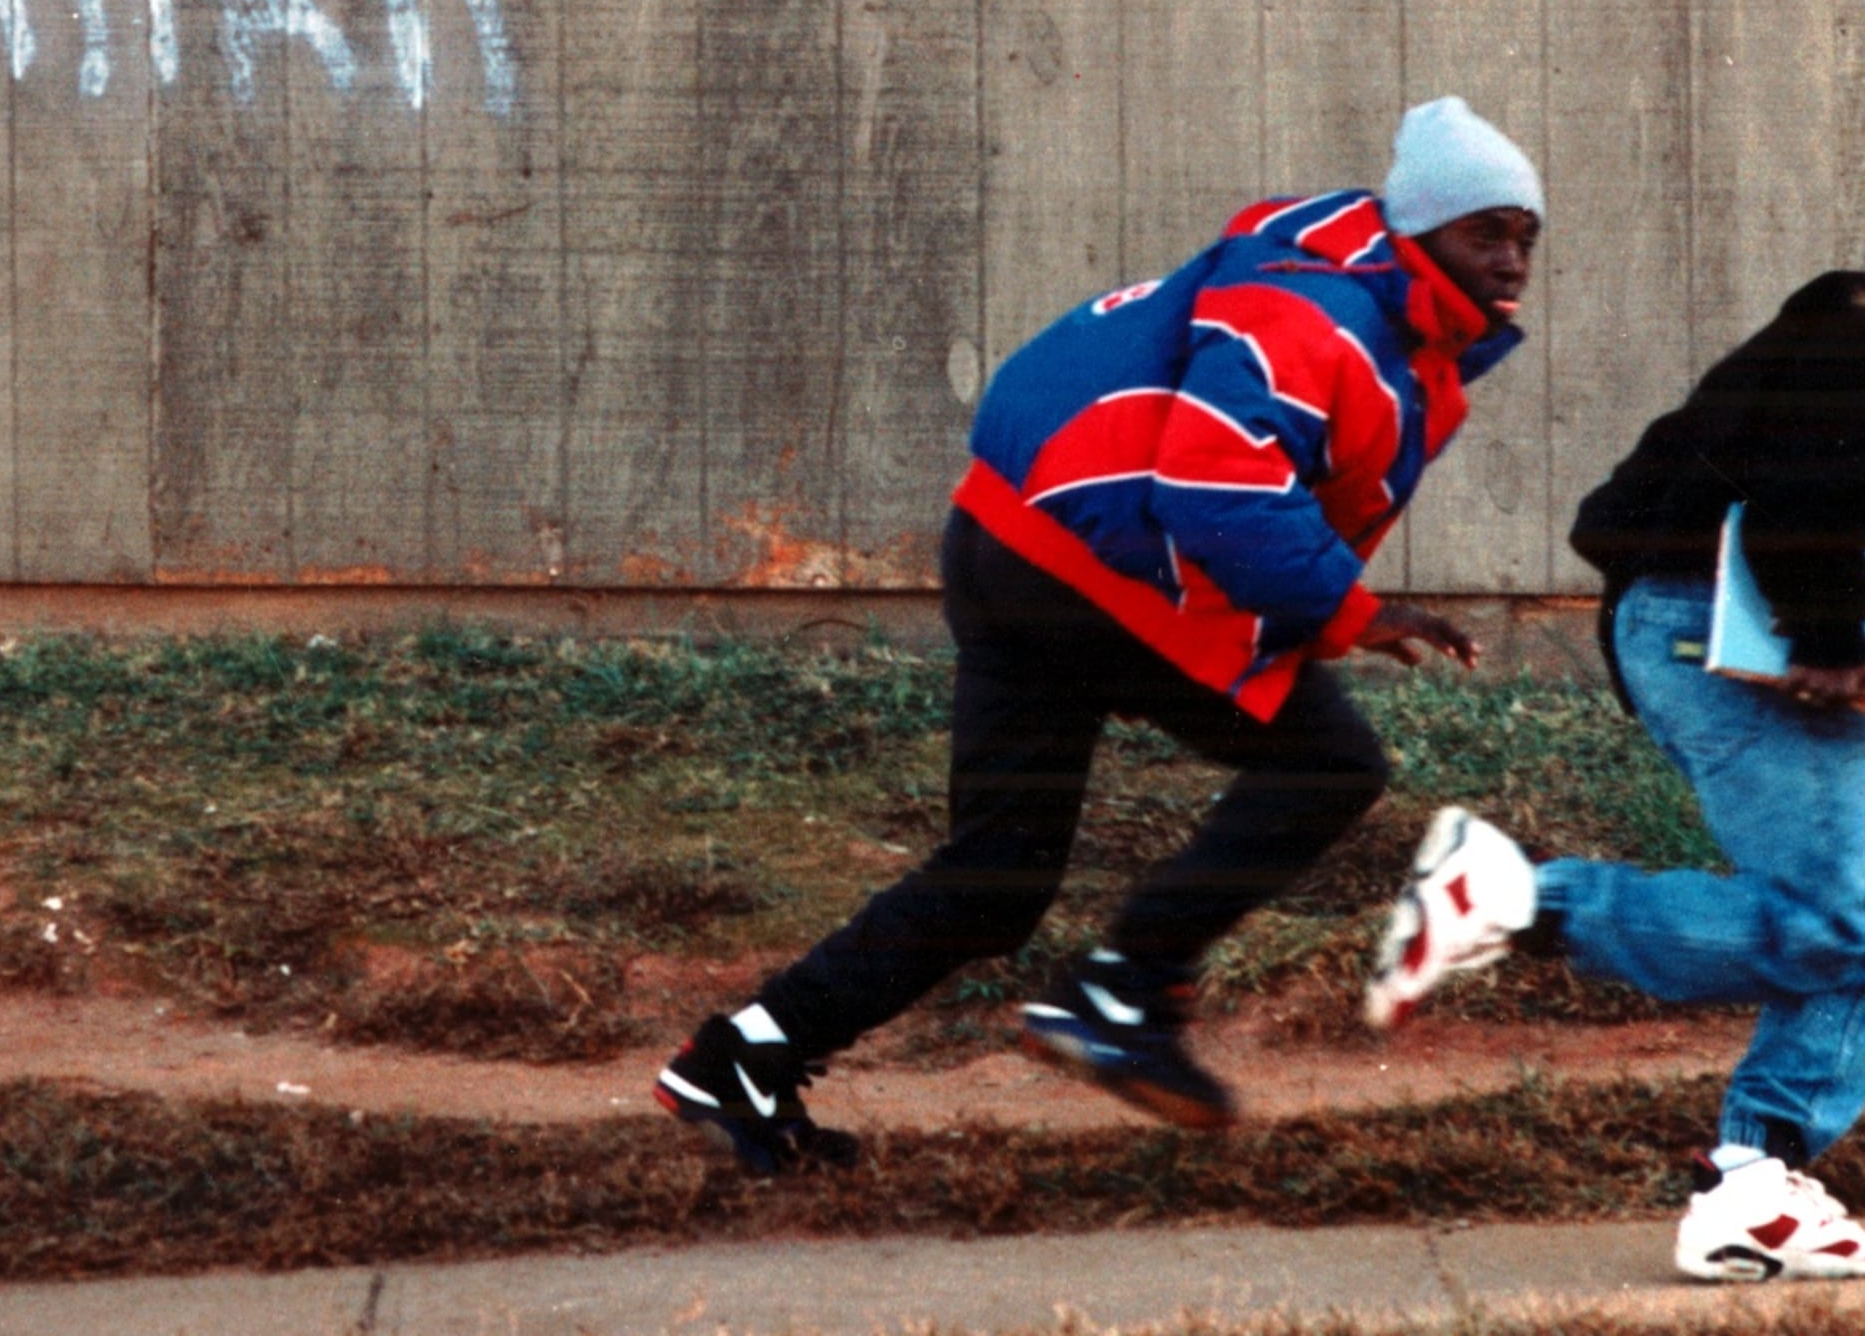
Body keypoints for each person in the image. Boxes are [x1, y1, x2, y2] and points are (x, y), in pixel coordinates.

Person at [652, 97, 1543, 1175]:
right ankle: (1124, 991)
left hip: (1009, 544)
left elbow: (1271, 498)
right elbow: (1216, 489)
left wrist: (1327, 616)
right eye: (1485, 232)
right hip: (1091, 576)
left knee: (998, 873)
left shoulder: (1371, 313)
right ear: (1420, 230)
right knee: (1329, 765)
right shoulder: (1319, 318)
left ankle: (740, 1058)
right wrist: (1351, 615)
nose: (1511, 259)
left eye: (1525, 237)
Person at [1359, 163, 1865, 1283]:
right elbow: (1801, 502)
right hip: (1734, 642)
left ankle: (1754, 1188)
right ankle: (1515, 898)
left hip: (1702, 627)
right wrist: (1828, 635)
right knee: (1828, 930)